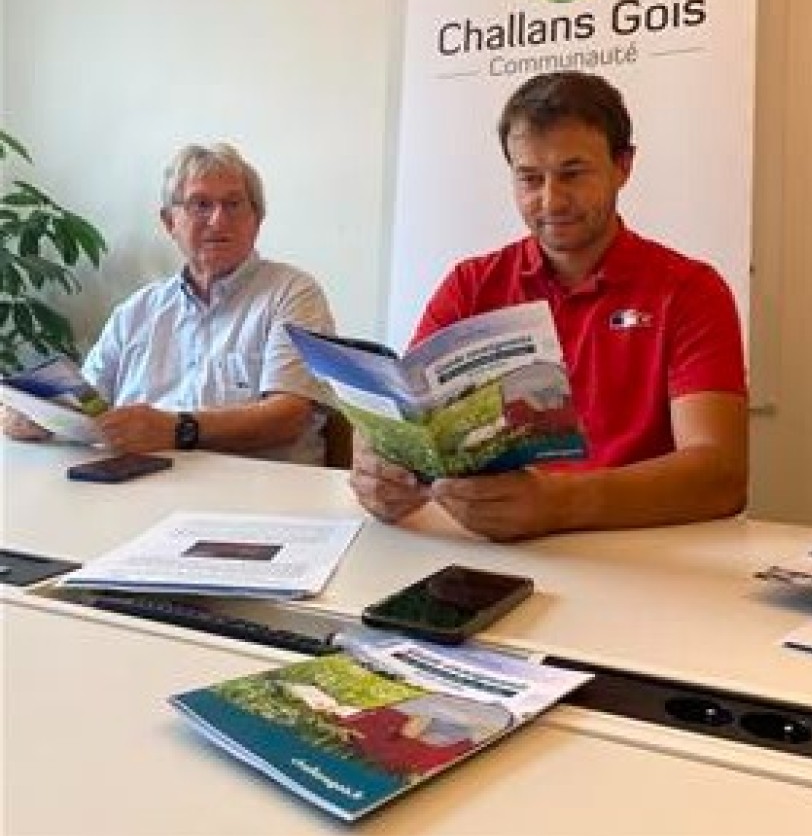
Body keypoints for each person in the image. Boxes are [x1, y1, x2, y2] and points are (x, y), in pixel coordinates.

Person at [350, 71, 749, 540]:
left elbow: (720, 476)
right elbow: (404, 416)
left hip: (637, 552)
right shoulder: (471, 284)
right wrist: (377, 467)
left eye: (573, 174)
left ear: (623, 166)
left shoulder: (690, 290)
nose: (551, 200)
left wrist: (560, 502)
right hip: (484, 545)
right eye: (529, 178)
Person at [3, 143, 335, 463]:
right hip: (138, 484)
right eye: (200, 204)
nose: (218, 220)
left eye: (233, 204)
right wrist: (41, 417)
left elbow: (289, 417)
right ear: (169, 222)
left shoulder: (292, 294)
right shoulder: (136, 311)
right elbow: (87, 406)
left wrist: (180, 429)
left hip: (255, 490)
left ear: (257, 220)